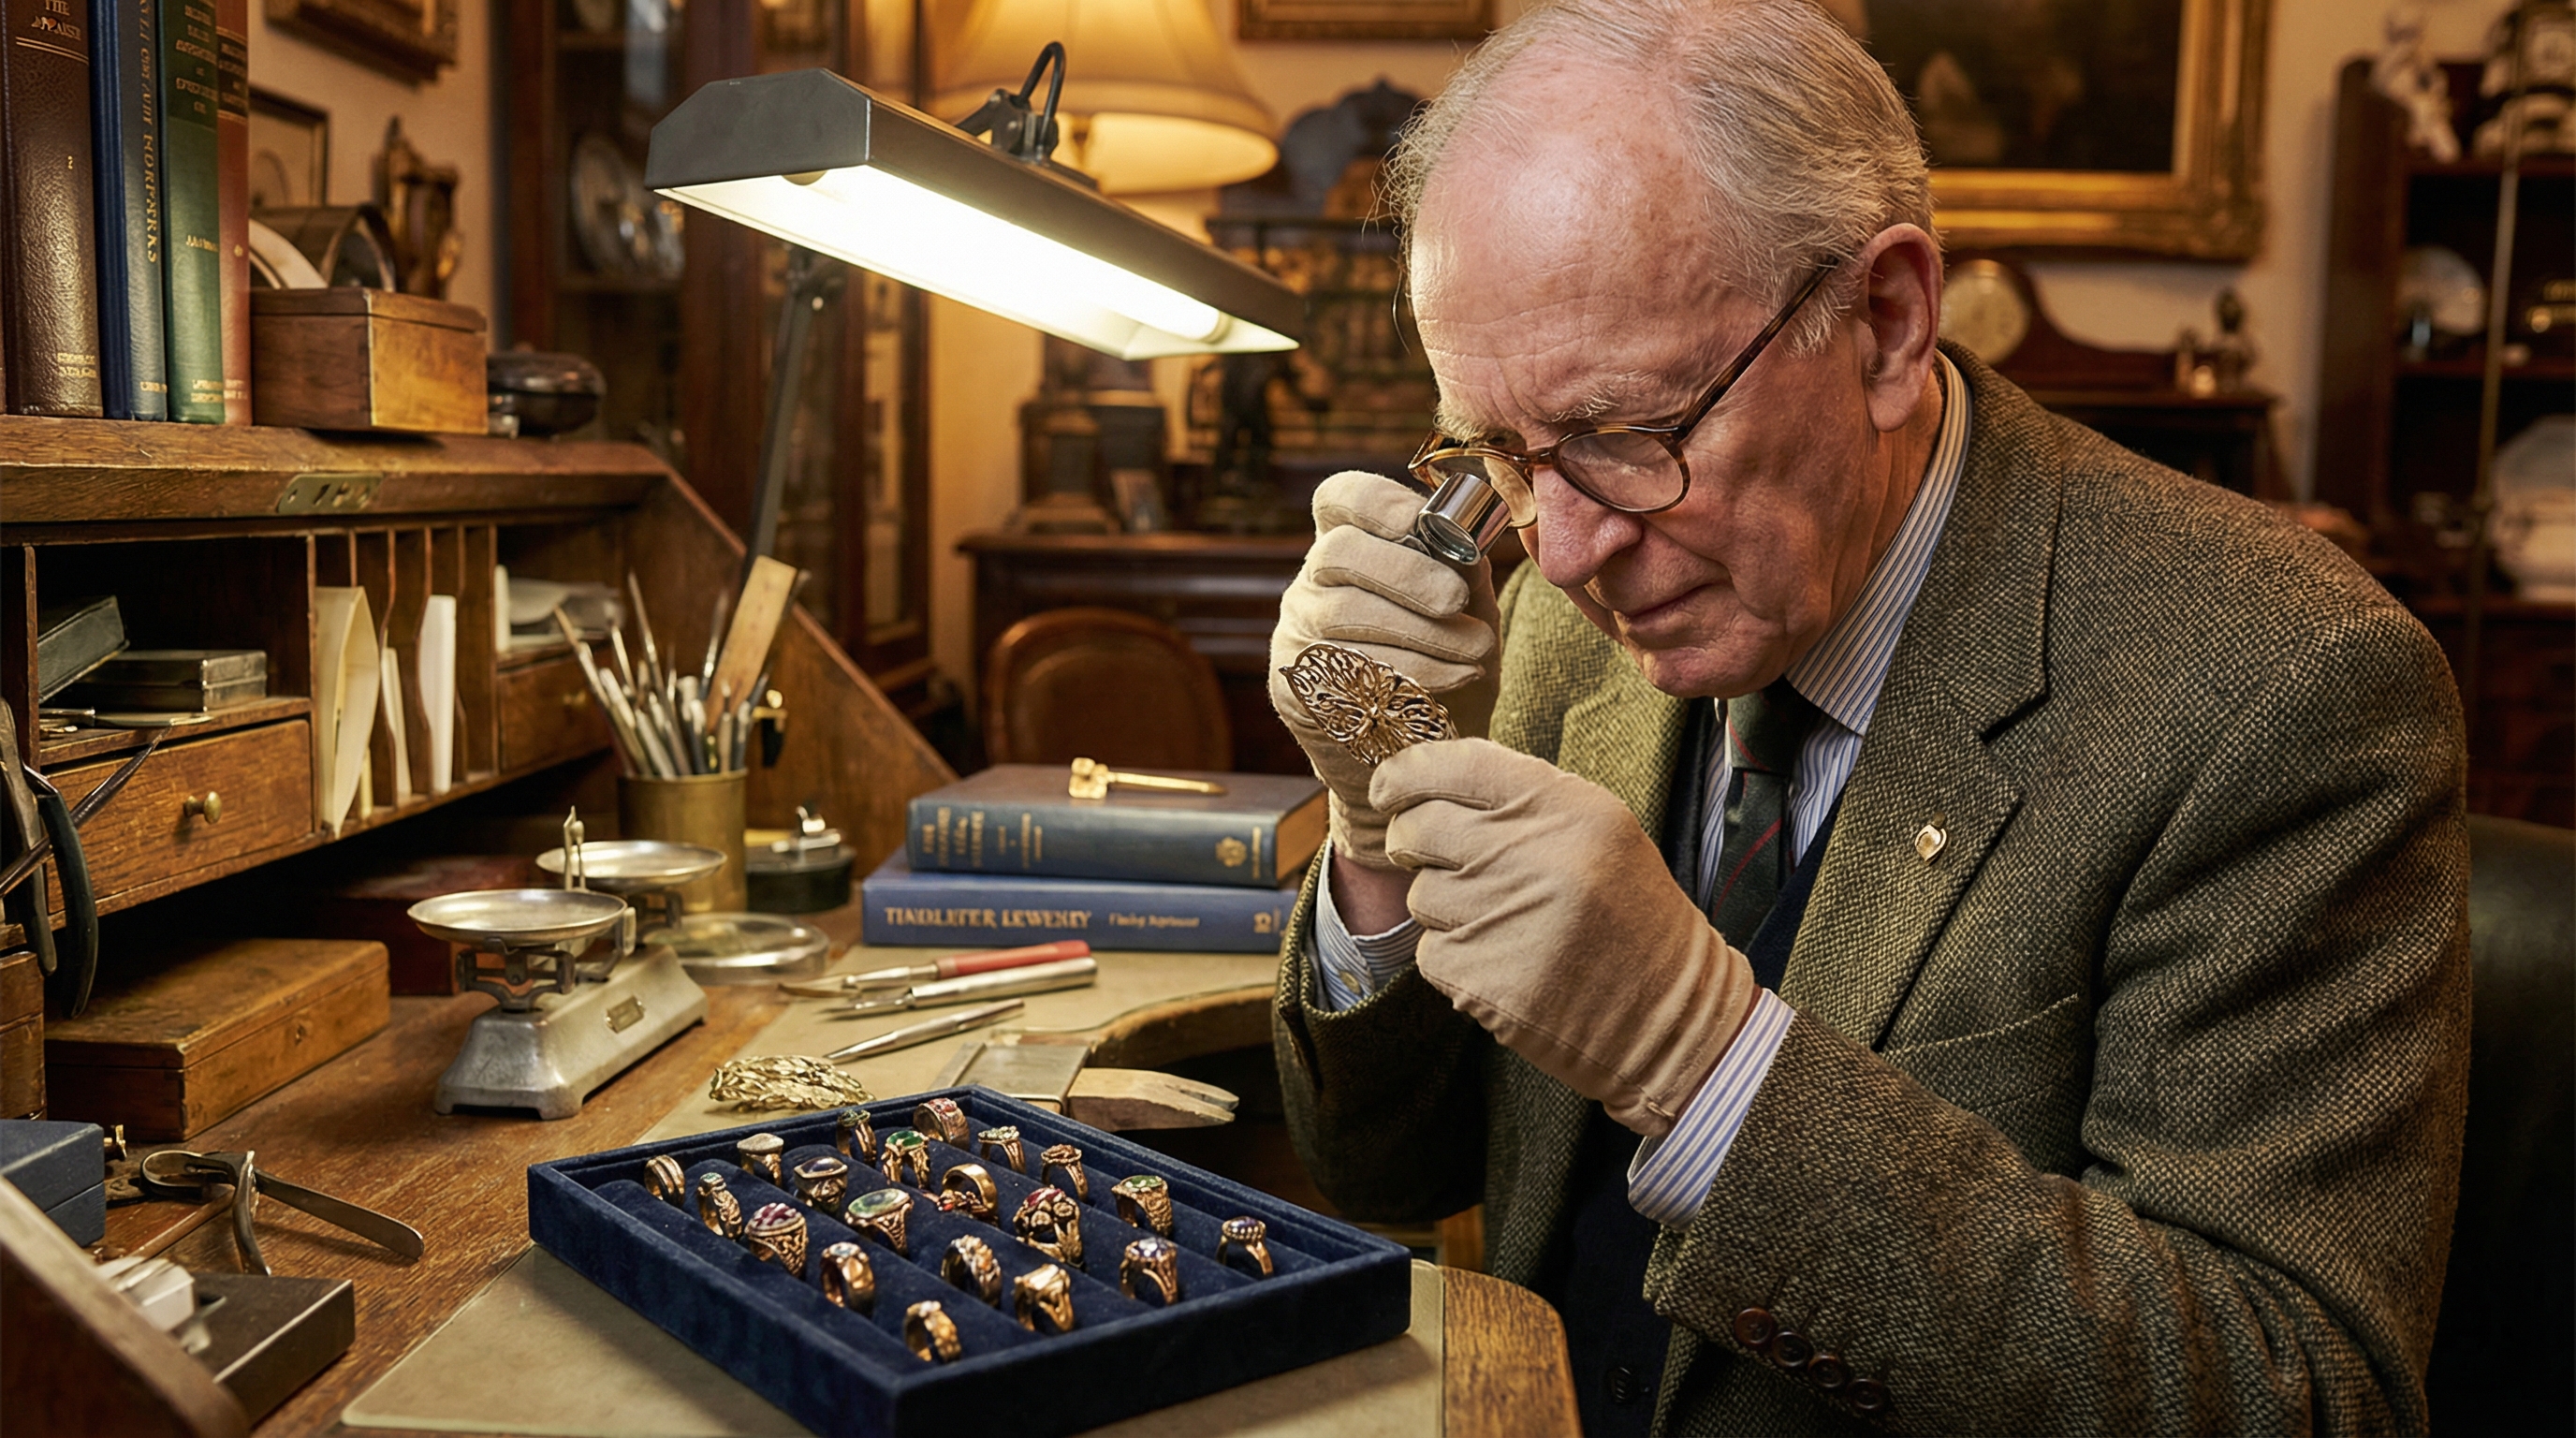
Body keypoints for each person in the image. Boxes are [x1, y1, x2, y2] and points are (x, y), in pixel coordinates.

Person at [1263, 2, 2473, 1433]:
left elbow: (2299, 1397)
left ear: (1889, 322)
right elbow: (1384, 1175)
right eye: (1503, 453)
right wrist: (1374, 828)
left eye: (1630, 433)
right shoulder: (1554, 612)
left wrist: (1704, 1066)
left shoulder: (2283, 689)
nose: (1568, 551)